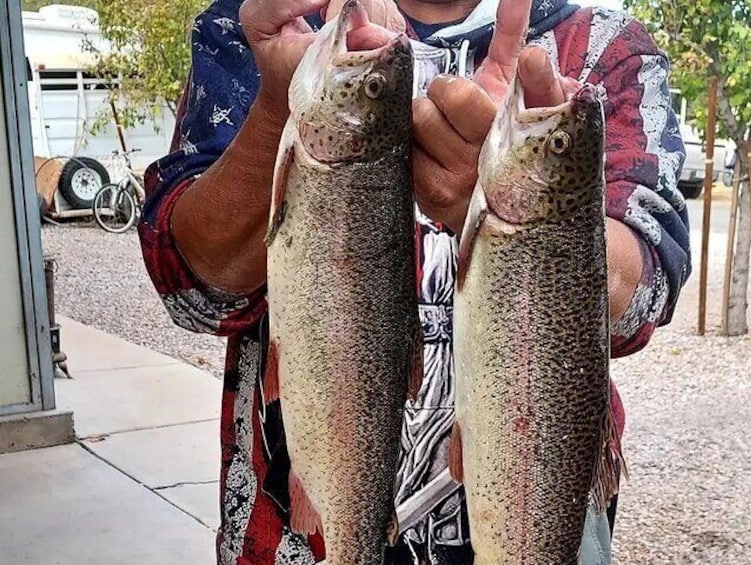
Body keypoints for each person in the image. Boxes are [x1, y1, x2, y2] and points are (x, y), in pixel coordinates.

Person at [137, 0, 691, 563]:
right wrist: (279, 109)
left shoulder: (603, 44)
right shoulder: (266, 20)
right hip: (294, 531)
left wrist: (535, 221)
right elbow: (193, 290)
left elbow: (647, 285)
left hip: (533, 511)